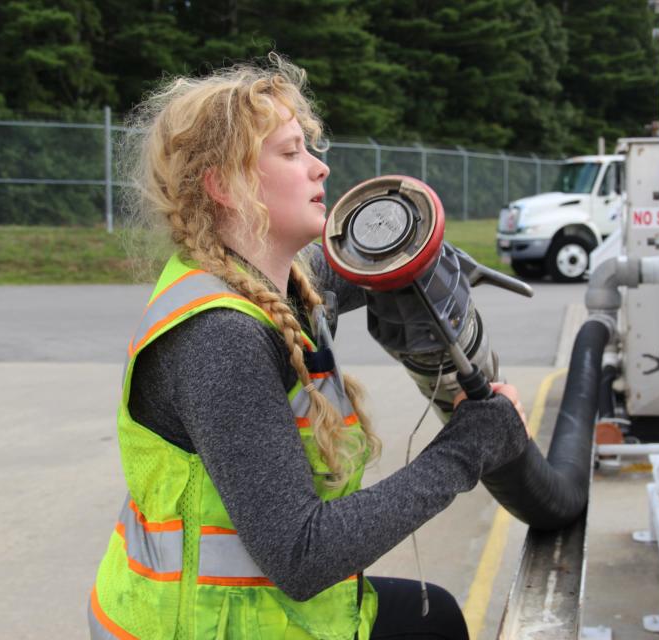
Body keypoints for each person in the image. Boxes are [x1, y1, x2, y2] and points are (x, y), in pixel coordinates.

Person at [88, 54, 529, 640]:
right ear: (224, 184)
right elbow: (303, 554)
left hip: (256, 616)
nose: (320, 169)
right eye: (291, 153)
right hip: (196, 629)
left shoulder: (274, 283)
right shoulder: (220, 338)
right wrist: (466, 449)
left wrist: (415, 256)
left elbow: (345, 267)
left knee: (436, 619)